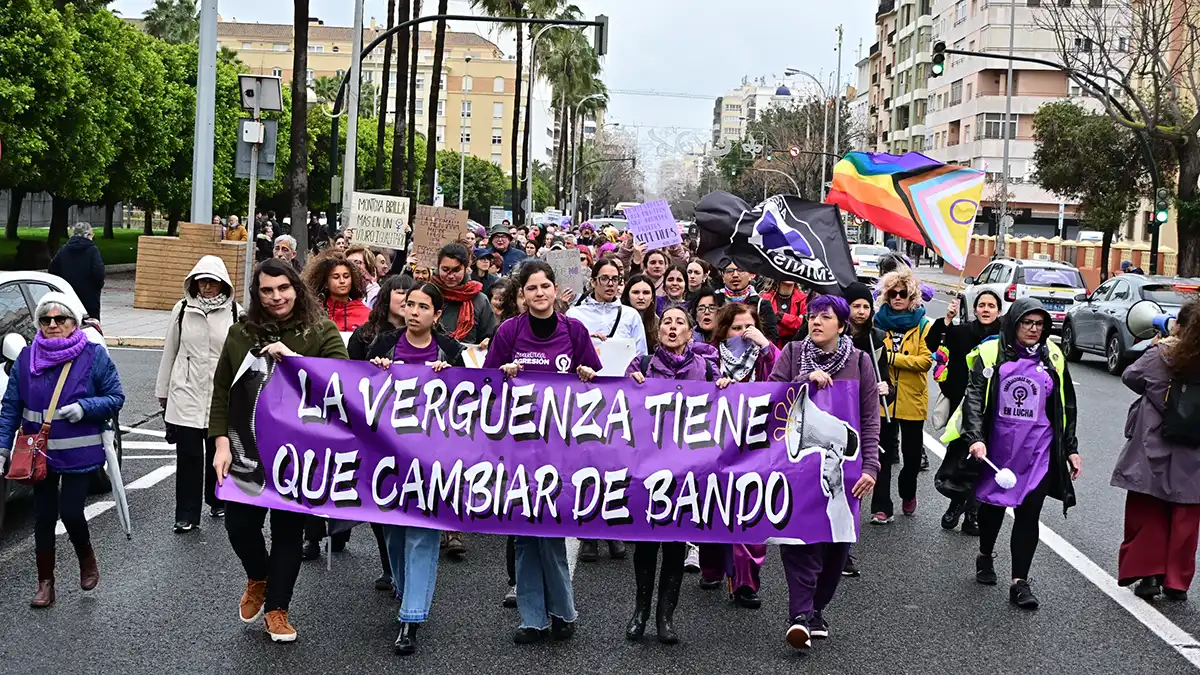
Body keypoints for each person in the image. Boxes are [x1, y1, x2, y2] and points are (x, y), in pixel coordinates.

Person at [211, 259, 349, 642]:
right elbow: (222, 389)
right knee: (239, 526)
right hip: (245, 448)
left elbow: (342, 380)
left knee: (288, 532)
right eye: (267, 291)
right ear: (257, 295)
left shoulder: (320, 329)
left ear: (296, 288)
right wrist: (220, 441)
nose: (276, 297)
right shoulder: (241, 332)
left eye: (283, 288)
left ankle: (277, 608)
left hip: (298, 453)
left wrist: (294, 359)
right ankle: (259, 576)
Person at [483, 260, 601, 644]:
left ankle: (563, 612)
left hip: (562, 450)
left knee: (550, 533)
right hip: (518, 448)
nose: (539, 293)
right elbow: (486, 385)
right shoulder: (508, 332)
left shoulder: (575, 331)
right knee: (523, 536)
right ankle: (532, 618)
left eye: (545, 286)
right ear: (522, 294)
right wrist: (504, 376)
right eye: (531, 288)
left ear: (554, 290)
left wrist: (586, 376)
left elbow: (599, 386)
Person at [945, 297, 1079, 610]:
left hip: (1038, 450)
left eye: (1039, 324)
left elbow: (1065, 404)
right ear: (1014, 323)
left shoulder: (1054, 357)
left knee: (1029, 512)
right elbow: (974, 396)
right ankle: (985, 554)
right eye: (1027, 323)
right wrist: (975, 437)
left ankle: (1020, 581)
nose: (1033, 330)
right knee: (993, 508)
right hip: (999, 449)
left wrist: (1070, 448)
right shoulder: (991, 353)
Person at [768, 295, 880, 649]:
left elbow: (869, 420)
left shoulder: (860, 362)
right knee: (800, 541)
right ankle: (799, 614)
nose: (815, 322)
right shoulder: (792, 352)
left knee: (835, 547)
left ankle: (817, 607)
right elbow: (770, 397)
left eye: (825, 317)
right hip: (796, 469)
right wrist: (802, 380)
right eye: (812, 315)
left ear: (842, 324)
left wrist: (871, 466)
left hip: (845, 471)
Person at [0, 293, 123, 608]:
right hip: (37, 456)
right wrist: (2, 447)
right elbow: (11, 405)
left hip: (78, 454)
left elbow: (115, 397)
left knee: (70, 511)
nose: (53, 325)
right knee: (43, 517)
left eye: (60, 319)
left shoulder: (93, 356)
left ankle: (85, 555)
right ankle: (45, 583)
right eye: (46, 320)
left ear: (73, 323)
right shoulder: (27, 358)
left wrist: (84, 408)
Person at [366, 283, 466, 654]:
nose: (414, 311)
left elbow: (470, 403)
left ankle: (411, 617)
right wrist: (375, 371)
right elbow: (357, 395)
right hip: (389, 457)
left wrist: (451, 379)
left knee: (421, 533)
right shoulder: (384, 345)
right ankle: (404, 587)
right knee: (393, 531)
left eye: (423, 307)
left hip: (434, 459)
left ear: (437, 315)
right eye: (410, 304)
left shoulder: (451, 352)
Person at [624, 306, 719, 644]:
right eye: (667, 322)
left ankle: (666, 617)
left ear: (690, 332)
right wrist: (629, 383)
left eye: (680, 322)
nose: (673, 327)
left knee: (676, 543)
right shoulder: (644, 365)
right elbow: (619, 407)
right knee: (646, 544)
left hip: (688, 470)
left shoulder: (706, 366)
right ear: (658, 330)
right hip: (648, 468)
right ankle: (640, 612)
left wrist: (725, 387)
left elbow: (723, 412)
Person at [1113, 301, 1200, 601]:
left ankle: (1149, 574)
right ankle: (1176, 581)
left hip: (1154, 440)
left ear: (1180, 326)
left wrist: (1158, 344)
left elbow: (1130, 377)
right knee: (1186, 515)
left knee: (1148, 507)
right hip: (1195, 448)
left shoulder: (1162, 354)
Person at [567, 258, 647, 563]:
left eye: (616, 279)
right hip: (585, 399)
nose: (611, 284)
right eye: (605, 278)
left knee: (616, 464)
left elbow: (640, 354)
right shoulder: (576, 315)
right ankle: (587, 532)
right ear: (593, 282)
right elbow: (568, 353)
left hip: (619, 399)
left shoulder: (630, 315)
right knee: (587, 463)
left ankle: (613, 527)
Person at [701, 301, 779, 609]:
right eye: (737, 328)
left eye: (749, 328)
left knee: (750, 510)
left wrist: (765, 345)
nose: (743, 334)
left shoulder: (764, 358)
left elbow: (784, 382)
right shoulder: (709, 355)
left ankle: (746, 581)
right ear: (724, 330)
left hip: (754, 446)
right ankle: (713, 568)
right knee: (712, 506)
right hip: (714, 446)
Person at [155, 256, 241, 533]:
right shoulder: (181, 310)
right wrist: (163, 391)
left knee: (218, 449)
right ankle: (187, 514)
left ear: (223, 284)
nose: (206, 287)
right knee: (189, 454)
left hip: (220, 394)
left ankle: (217, 498)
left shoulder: (237, 313)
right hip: (186, 392)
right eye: (202, 281)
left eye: (212, 282)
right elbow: (170, 351)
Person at [932, 290, 1002, 535]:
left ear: (998, 311)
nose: (985, 309)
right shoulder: (962, 332)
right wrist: (948, 320)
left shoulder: (1005, 339)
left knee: (984, 463)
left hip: (994, 410)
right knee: (961, 460)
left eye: (991, 306)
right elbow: (937, 347)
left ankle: (972, 514)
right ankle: (957, 502)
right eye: (981, 305)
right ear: (974, 310)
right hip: (964, 408)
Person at [870, 268, 933, 523]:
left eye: (903, 293)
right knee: (882, 457)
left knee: (911, 457)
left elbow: (926, 360)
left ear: (912, 297)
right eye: (893, 293)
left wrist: (891, 358)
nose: (897, 297)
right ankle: (881, 507)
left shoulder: (923, 325)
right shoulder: (876, 325)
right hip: (883, 401)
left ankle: (908, 492)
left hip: (912, 399)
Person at [432, 243, 497, 348]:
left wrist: (489, 341)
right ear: (438, 267)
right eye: (445, 269)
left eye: (456, 270)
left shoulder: (480, 300)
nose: (451, 276)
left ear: (466, 268)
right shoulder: (427, 294)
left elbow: (491, 335)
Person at [48, 222, 105, 320]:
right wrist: (97, 286)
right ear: (88, 235)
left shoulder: (64, 249)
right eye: (92, 234)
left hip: (67, 295)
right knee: (90, 324)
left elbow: (52, 270)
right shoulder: (92, 250)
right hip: (89, 296)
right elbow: (98, 272)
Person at [303, 251, 371, 333]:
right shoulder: (315, 313)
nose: (342, 281)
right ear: (326, 283)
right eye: (336, 277)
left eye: (346, 276)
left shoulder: (366, 314)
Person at [714, 259, 779, 342]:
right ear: (723, 277)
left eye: (741, 270)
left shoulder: (761, 304)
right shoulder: (714, 302)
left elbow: (771, 338)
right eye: (729, 271)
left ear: (751, 275)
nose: (735, 275)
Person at [762, 280, 807, 348]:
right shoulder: (764, 298)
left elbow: (804, 325)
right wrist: (794, 320)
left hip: (795, 347)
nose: (789, 276)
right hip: (770, 346)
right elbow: (763, 325)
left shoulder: (804, 299)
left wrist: (782, 317)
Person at [622, 274, 660, 353]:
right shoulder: (618, 319)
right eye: (636, 292)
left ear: (652, 297)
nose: (641, 297)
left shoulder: (658, 324)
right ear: (628, 296)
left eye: (646, 293)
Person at [345, 244, 381, 309]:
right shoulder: (342, 292)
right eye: (348, 262)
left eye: (357, 262)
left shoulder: (376, 295)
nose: (351, 266)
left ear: (368, 266)